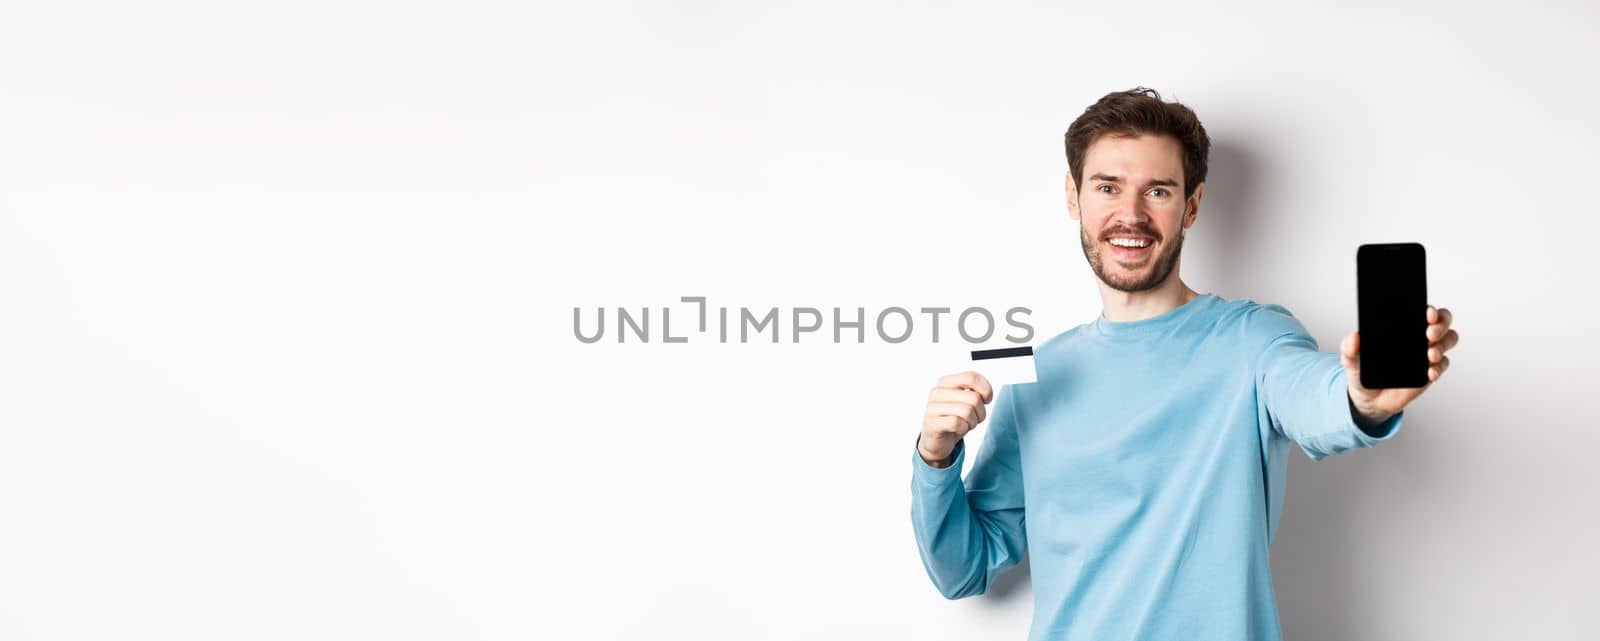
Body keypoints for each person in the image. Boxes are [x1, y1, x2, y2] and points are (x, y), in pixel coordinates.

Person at [909, 87, 1460, 641]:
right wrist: (936, 457)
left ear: (1191, 205)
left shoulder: (1250, 338)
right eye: (1108, 187)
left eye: (1158, 190)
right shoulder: (1035, 371)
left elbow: (1310, 394)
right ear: (1074, 198)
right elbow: (963, 570)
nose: (1131, 214)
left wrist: (1360, 399)